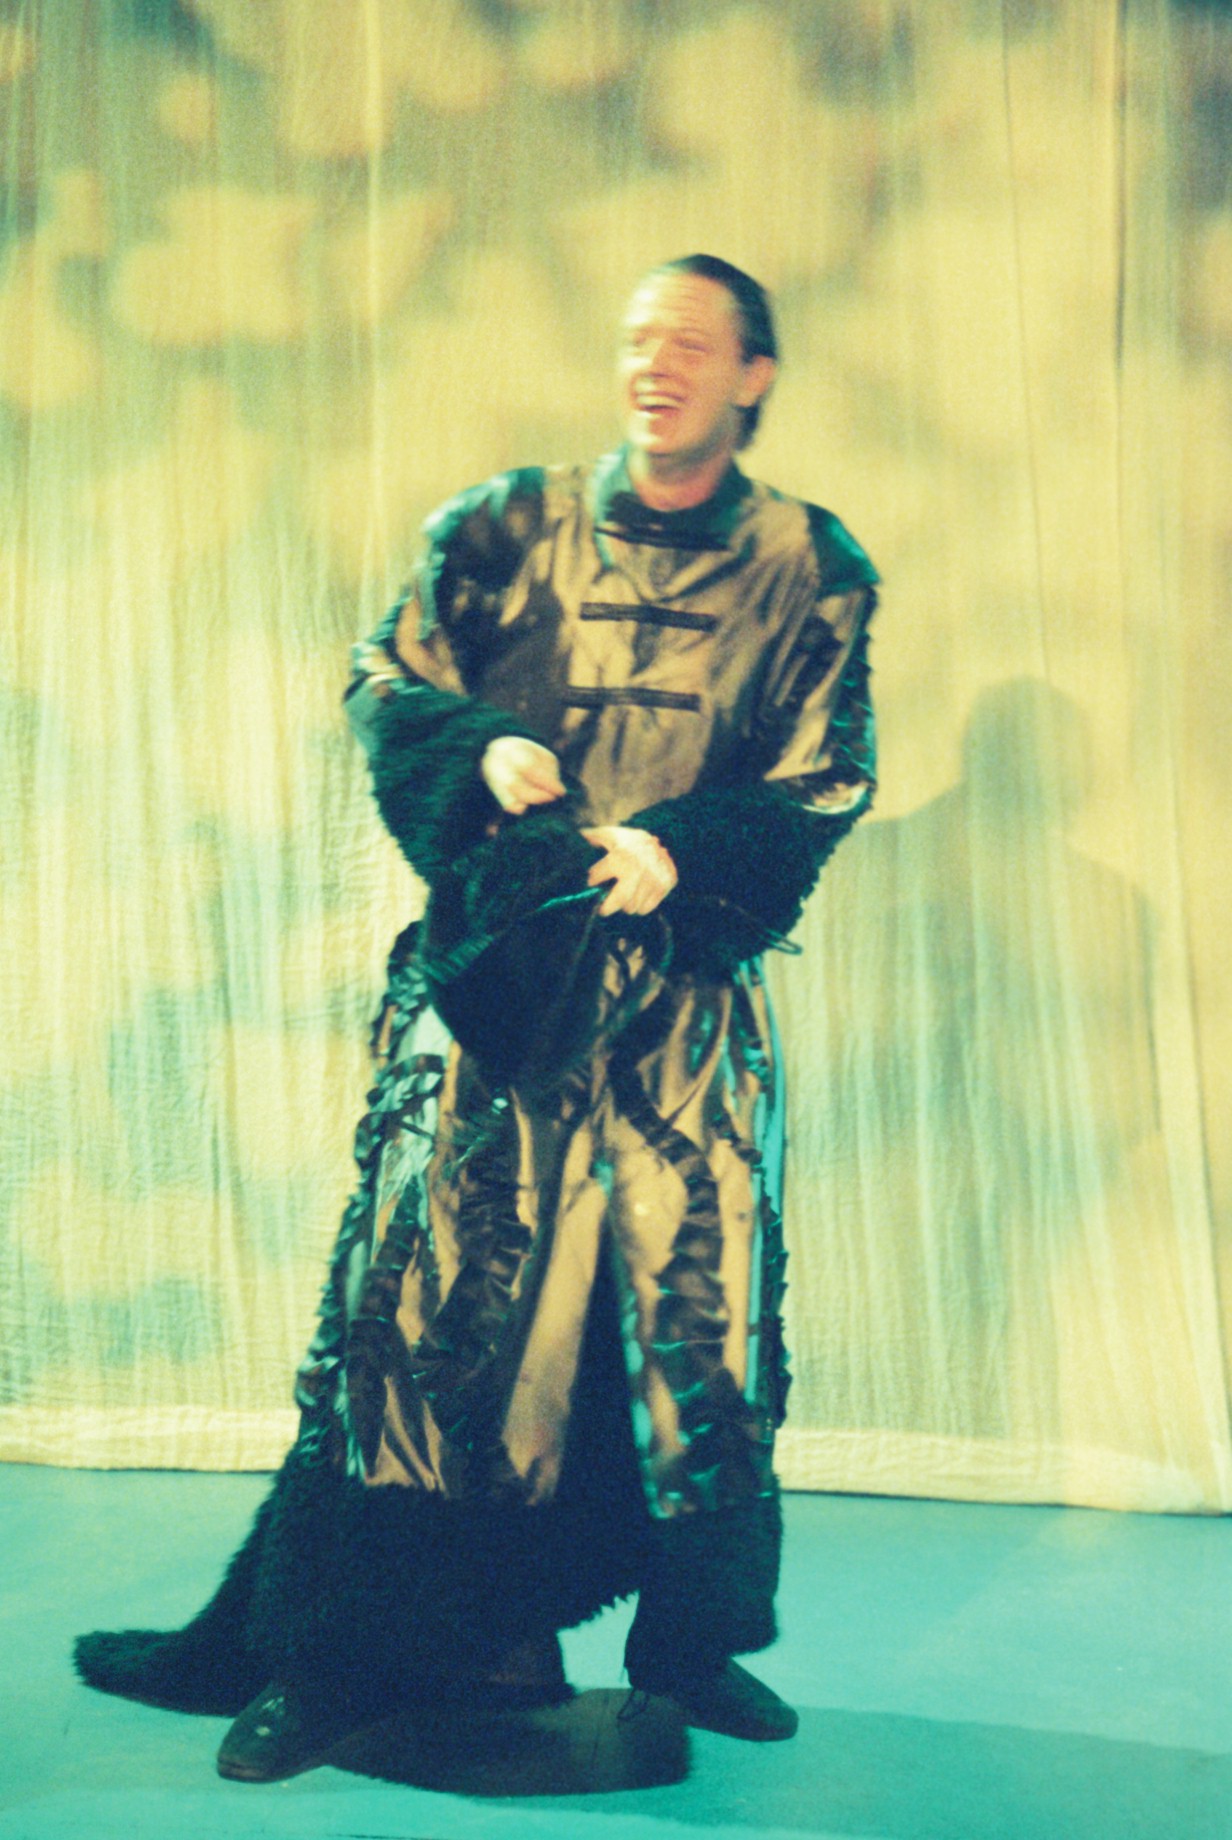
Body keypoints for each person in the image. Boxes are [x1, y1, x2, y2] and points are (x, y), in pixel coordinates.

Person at [75, 254, 879, 1779]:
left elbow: (826, 766)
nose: (656, 364)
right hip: (503, 1006)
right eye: (638, 338)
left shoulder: (810, 565)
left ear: (753, 375)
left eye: (691, 342)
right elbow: (387, 677)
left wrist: (681, 850)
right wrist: (479, 746)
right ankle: (330, 1657)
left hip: (681, 1023)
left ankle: (685, 1643)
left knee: (684, 1326)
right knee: (435, 1325)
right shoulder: (504, 527)